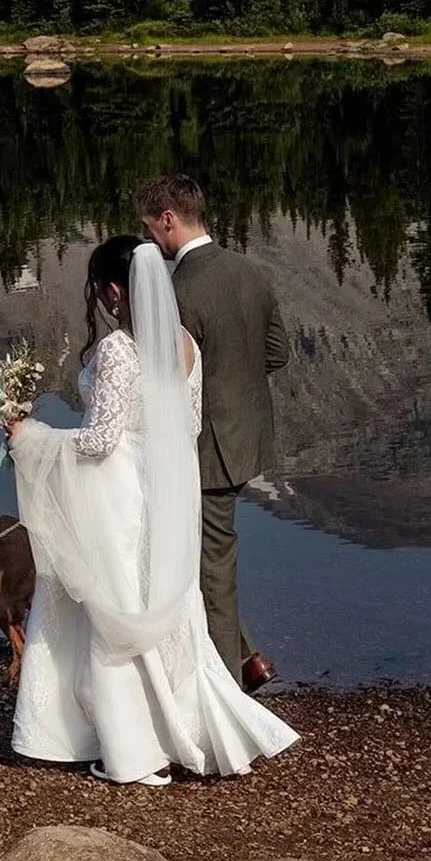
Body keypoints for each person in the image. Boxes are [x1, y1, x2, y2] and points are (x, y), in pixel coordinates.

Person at [5, 236, 297, 786]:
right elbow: (186, 428)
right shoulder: (185, 344)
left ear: (116, 291)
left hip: (116, 496)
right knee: (160, 607)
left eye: (100, 290)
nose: (101, 300)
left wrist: (30, 436)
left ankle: (132, 750)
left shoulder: (120, 349)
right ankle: (174, 730)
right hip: (164, 496)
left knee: (112, 608)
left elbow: (100, 441)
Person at [136, 174, 288, 693]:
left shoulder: (177, 291)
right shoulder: (251, 269)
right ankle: (248, 660)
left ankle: (228, 688)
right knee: (205, 552)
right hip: (247, 438)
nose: (150, 238)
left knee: (211, 568)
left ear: (168, 219)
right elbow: (277, 353)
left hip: (206, 451)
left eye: (150, 227)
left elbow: (168, 381)